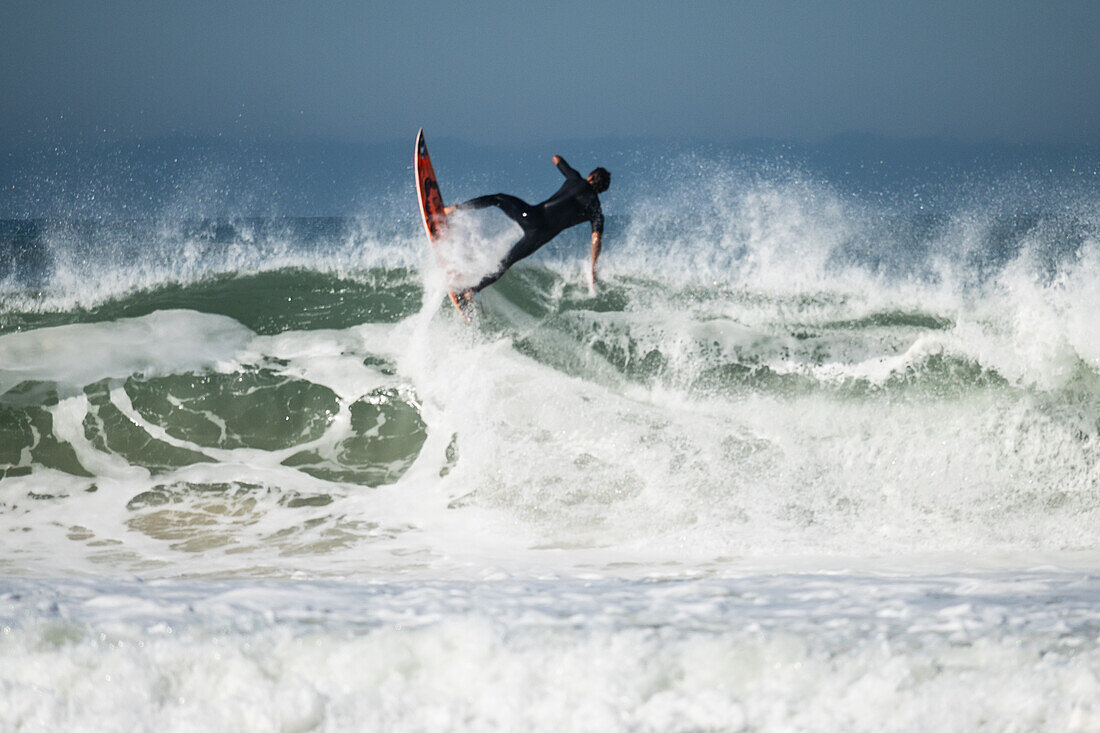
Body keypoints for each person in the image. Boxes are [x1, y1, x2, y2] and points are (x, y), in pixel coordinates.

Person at [444, 155, 610, 300]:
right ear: (602, 190)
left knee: (498, 198)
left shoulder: (575, 179)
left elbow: (556, 158)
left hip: (530, 217)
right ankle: (471, 292)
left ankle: (453, 209)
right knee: (505, 263)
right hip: (538, 237)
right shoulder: (596, 210)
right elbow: (596, 240)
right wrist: (593, 269)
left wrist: (558, 162)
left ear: (591, 176)